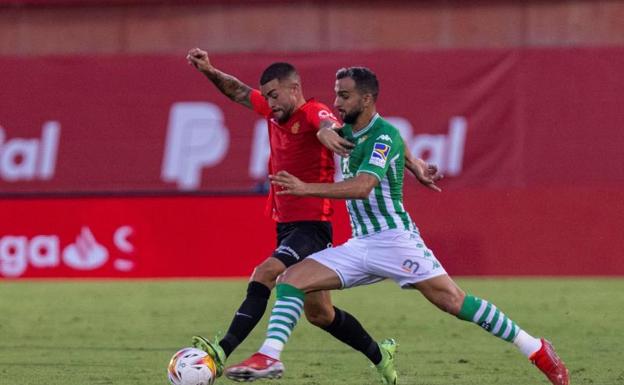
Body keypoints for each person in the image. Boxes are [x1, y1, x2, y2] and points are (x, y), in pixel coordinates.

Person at [235, 66, 570, 385]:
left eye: (345, 96)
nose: (337, 102)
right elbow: (349, 136)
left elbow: (364, 185)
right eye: (337, 95)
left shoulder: (384, 136)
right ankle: (270, 356)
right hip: (360, 243)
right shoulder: (347, 132)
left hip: (396, 241)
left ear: (366, 100)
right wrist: (415, 163)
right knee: (291, 280)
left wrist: (306, 188)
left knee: (455, 302)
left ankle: (536, 349)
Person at [185, 49, 442, 384]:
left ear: (295, 89)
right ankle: (381, 355)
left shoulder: (313, 111)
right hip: (286, 226)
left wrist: (330, 133)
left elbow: (329, 125)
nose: (269, 102)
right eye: (266, 96)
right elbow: (236, 90)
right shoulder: (275, 112)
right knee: (320, 314)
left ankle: (220, 352)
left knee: (265, 274)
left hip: (312, 227)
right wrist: (208, 70)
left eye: (275, 95)